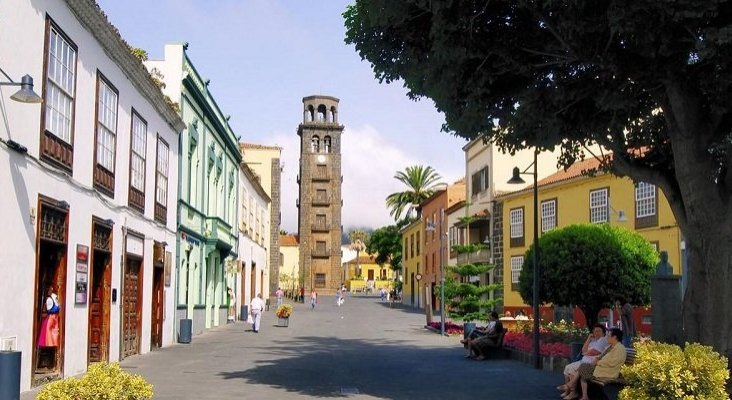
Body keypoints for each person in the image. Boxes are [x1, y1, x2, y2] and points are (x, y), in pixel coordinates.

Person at [562, 328, 626, 400]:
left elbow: (612, 362)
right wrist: (597, 359)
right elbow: (602, 356)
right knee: (582, 368)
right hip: (602, 368)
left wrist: (598, 362)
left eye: (608, 335)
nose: (606, 337)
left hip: (609, 371)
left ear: (614, 337)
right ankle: (583, 395)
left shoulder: (620, 349)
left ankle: (572, 386)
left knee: (582, 369)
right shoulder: (611, 346)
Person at [557, 324, 609, 396]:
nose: (596, 333)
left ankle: (572, 392)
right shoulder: (593, 341)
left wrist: (585, 353)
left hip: (590, 363)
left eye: (598, 331)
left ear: (603, 333)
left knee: (572, 370)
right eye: (595, 331)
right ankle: (568, 390)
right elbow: (583, 350)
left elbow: (594, 352)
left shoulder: (603, 341)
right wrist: (588, 339)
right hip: (583, 361)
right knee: (567, 367)